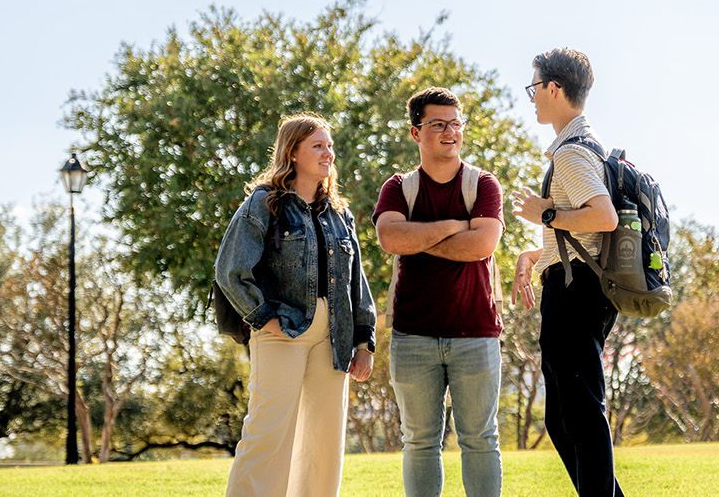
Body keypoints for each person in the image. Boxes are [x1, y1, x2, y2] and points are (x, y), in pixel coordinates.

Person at [216, 114, 377, 497]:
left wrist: (364, 341)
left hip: (334, 333)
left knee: (324, 441)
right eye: (317, 146)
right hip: (281, 329)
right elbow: (230, 270)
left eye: (330, 146)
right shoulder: (264, 203)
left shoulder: (339, 212)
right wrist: (264, 318)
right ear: (293, 151)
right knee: (268, 434)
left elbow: (357, 282)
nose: (328, 153)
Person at [373, 87, 506, 497]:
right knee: (419, 441)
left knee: (480, 439)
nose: (450, 132)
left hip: (476, 333)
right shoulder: (398, 188)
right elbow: (390, 238)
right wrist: (454, 226)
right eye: (437, 124)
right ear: (416, 133)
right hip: (413, 335)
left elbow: (482, 245)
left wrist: (420, 237)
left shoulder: (483, 184)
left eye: (455, 123)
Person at [508, 48, 627, 497]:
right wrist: (534, 253)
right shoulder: (582, 145)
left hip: (576, 293)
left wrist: (547, 213)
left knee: (579, 414)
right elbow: (583, 234)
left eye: (534, 88)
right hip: (576, 284)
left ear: (553, 89)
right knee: (563, 419)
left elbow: (604, 218)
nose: (532, 97)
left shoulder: (572, 155)